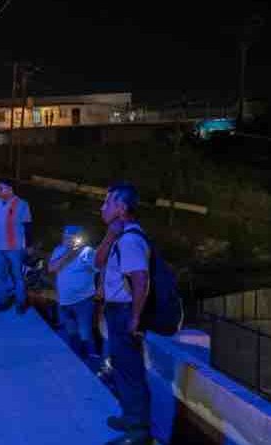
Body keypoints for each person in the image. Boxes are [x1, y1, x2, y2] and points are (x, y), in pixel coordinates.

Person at [95, 182, 152, 445]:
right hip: (115, 310)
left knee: (130, 371)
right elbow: (98, 261)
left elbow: (141, 280)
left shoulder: (130, 240)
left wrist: (135, 318)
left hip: (125, 312)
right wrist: (108, 235)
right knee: (122, 368)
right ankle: (131, 418)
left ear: (121, 207)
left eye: (107, 202)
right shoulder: (117, 236)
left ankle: (139, 432)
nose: (102, 207)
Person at [48, 225, 98, 359]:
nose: (68, 240)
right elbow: (52, 268)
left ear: (79, 239)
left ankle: (91, 355)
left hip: (83, 299)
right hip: (64, 300)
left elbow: (99, 269)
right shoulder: (58, 250)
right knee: (71, 330)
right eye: (65, 237)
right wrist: (69, 254)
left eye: (71, 238)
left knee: (85, 331)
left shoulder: (88, 252)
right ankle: (76, 355)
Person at [0, 179, 33, 315]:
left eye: (2, 188)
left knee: (18, 276)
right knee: (0, 277)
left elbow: (28, 226)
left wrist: (29, 245)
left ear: (10, 189)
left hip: (15, 247)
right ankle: (2, 301)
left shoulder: (22, 204)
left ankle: (21, 303)